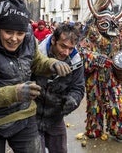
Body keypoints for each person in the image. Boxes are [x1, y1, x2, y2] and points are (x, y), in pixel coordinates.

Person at [0, 0, 72, 153]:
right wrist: (15, 93)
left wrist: (52, 64)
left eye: (19, 33)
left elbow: (37, 61)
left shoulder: (29, 40)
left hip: (22, 114)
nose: (14, 38)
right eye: (8, 32)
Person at [78, 0, 122, 141]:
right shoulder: (90, 35)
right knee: (95, 105)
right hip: (96, 78)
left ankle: (116, 129)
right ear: (97, 23)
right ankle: (94, 129)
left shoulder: (118, 37)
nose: (109, 27)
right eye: (105, 24)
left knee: (117, 104)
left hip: (115, 78)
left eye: (112, 24)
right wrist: (99, 59)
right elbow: (82, 52)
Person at [34, 23, 85, 153]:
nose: (66, 52)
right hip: (31, 117)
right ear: (53, 40)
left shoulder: (75, 61)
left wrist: (73, 99)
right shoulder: (37, 53)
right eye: (63, 46)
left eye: (70, 48)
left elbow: (78, 88)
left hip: (55, 117)